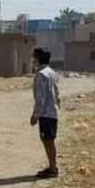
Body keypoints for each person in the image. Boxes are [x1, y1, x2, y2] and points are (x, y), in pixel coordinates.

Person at [31, 48, 61, 178]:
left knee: (48, 141)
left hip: (45, 114)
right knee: (49, 140)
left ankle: (53, 169)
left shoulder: (41, 74)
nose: (33, 60)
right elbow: (57, 94)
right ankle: (52, 166)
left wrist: (35, 115)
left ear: (38, 58)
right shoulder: (52, 73)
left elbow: (40, 98)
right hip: (52, 112)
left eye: (34, 57)